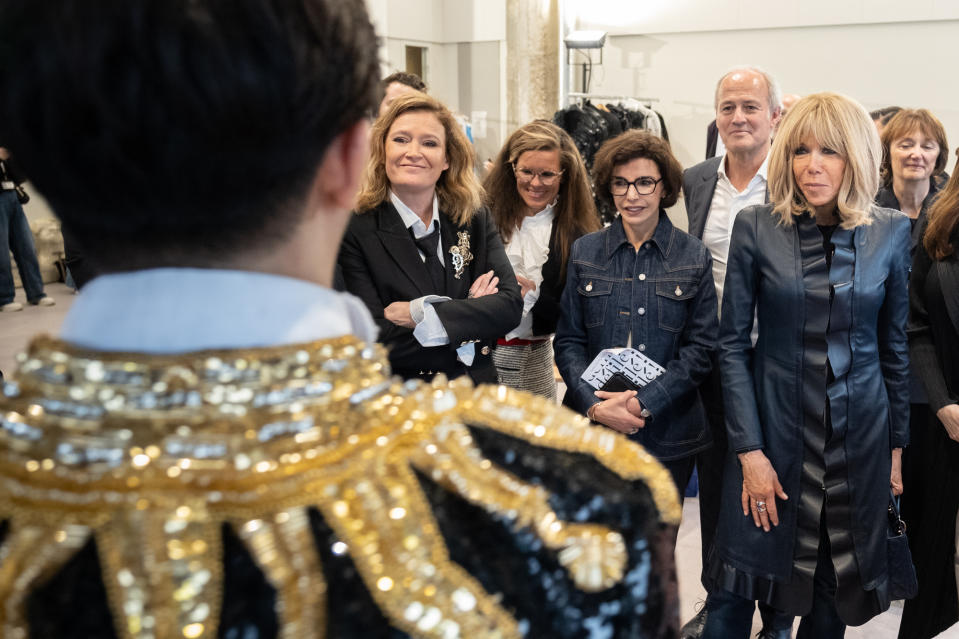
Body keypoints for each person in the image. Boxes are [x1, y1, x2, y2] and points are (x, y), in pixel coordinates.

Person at [0, 1, 683, 637]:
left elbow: (501, 302)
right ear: (353, 155)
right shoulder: (581, 517)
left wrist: (422, 311)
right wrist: (450, 311)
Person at [701, 92, 911, 638]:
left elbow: (893, 348)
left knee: (832, 593)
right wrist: (749, 451)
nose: (812, 165)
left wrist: (894, 449)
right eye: (800, 151)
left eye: (830, 151)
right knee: (733, 590)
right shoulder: (756, 226)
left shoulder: (890, 230)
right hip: (772, 435)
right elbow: (731, 345)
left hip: (858, 442)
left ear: (858, 158)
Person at [681, 65, 791, 639]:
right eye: (728, 107)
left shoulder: (796, 179)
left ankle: (775, 614)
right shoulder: (697, 179)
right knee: (720, 493)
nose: (738, 117)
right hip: (713, 364)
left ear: (776, 116)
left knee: (772, 490)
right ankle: (717, 600)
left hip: (776, 366)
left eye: (750, 106)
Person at [554, 129, 717, 494]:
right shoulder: (585, 252)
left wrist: (644, 402)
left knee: (656, 547)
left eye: (644, 182)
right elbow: (568, 342)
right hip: (594, 427)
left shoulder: (693, 256)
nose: (631, 195)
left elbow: (701, 350)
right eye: (620, 183)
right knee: (596, 543)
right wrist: (595, 406)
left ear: (665, 187)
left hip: (669, 431)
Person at [339, 92, 522, 384]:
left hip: (477, 394)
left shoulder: (473, 216)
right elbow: (374, 340)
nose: (414, 152)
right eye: (400, 140)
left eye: (429, 143)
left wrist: (420, 314)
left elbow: (510, 307)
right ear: (382, 149)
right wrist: (471, 314)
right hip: (402, 400)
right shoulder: (352, 229)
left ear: (447, 158)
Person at [874, 108, 949, 592]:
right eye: (905, 143)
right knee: (877, 475)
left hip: (932, 370)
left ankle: (917, 579)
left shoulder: (949, 214)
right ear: (888, 153)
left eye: (926, 144)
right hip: (873, 362)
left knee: (924, 478)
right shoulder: (865, 209)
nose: (915, 153)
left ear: (939, 155)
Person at [482, 120, 600, 399]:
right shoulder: (481, 218)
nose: (535, 183)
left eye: (547, 174)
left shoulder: (578, 234)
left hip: (535, 360)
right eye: (526, 172)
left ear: (564, 175)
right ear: (511, 169)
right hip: (476, 360)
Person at [900, 155, 959, 639]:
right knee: (935, 561)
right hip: (948, 423)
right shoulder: (940, 226)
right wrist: (941, 402)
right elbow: (916, 325)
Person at [0, 147, 54, 311]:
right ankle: (4, 298)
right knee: (1, 252)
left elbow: (20, 174)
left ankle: (36, 294)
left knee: (27, 247)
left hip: (12, 195)